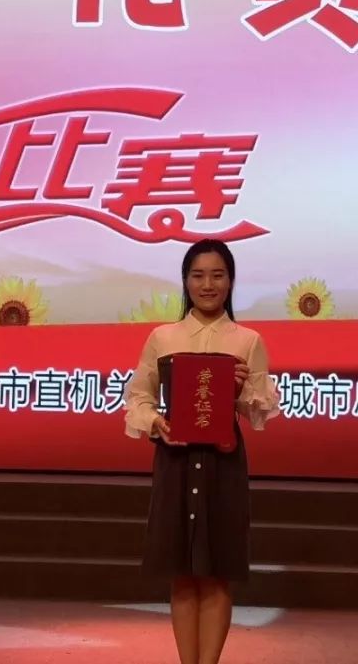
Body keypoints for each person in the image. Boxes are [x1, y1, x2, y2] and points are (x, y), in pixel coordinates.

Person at [123, 239, 280, 664]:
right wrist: (157, 423)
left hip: (222, 465)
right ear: (185, 281)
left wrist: (241, 388)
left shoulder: (247, 341)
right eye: (198, 275)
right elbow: (138, 397)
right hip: (174, 461)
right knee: (181, 575)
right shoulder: (162, 337)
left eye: (217, 275)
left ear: (230, 281)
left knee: (216, 574)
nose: (208, 284)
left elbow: (259, 412)